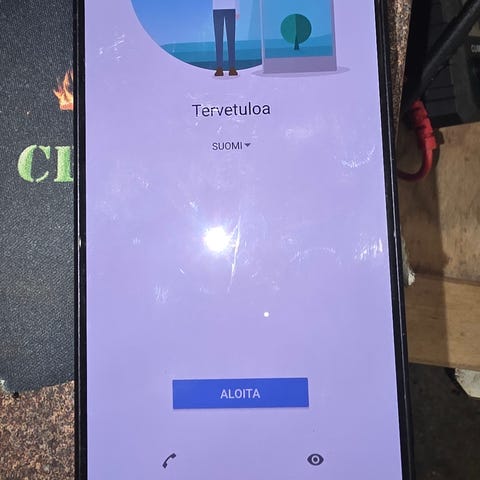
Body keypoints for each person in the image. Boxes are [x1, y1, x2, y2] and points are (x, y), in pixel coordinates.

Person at [213, 0, 239, 76]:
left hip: (230, 7)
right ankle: (219, 67)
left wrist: (237, 9)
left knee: (231, 39)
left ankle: (232, 67)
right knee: (218, 39)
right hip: (217, 7)